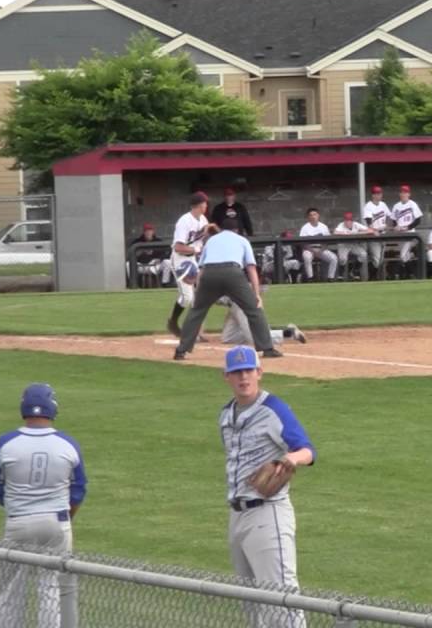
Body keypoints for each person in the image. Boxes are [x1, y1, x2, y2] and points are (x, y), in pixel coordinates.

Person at [219, 345, 315, 627]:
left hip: (268, 514)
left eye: (248, 371)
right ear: (227, 376)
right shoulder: (225, 415)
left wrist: (291, 458)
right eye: (237, 372)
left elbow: (307, 450)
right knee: (252, 604)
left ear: (259, 372)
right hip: (237, 515)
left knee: (281, 599)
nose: (243, 377)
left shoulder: (274, 410)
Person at [0, 384, 87, 628]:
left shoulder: (6, 442)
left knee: (11, 590)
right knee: (50, 588)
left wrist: (18, 508)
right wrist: (67, 517)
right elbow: (78, 490)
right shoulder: (67, 444)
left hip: (18, 522)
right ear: (52, 407)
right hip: (56, 522)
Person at [174, 218, 281, 360]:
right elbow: (251, 268)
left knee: (196, 311)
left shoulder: (211, 241)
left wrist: (198, 293)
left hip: (209, 274)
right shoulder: (242, 240)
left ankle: (181, 350)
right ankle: (267, 348)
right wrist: (256, 294)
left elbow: (202, 269)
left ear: (222, 228)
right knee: (254, 310)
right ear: (236, 230)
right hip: (232, 273)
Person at [166, 193, 213, 337]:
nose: (206, 205)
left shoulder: (203, 219)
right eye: (204, 203)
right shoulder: (184, 221)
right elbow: (178, 247)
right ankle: (173, 322)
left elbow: (202, 239)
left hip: (192, 259)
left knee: (197, 297)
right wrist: (197, 250)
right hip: (180, 260)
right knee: (187, 297)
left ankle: (196, 331)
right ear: (199, 205)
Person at [218, 294, 307, 347]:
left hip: (242, 303)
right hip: (234, 305)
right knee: (228, 338)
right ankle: (259, 332)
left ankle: (290, 332)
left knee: (254, 339)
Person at [390, 185, 424, 277]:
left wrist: (408, 227)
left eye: (405, 192)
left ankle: (409, 273)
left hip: (410, 234)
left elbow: (418, 220)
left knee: (403, 255)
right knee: (406, 256)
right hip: (400, 234)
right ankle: (411, 274)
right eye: (402, 192)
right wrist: (396, 226)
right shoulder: (396, 206)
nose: (403, 194)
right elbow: (393, 220)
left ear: (409, 194)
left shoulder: (413, 204)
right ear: (399, 194)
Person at [298, 208, 338, 282]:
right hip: (309, 249)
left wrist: (321, 250)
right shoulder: (305, 227)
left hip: (321, 249)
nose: (313, 216)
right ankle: (310, 278)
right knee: (307, 257)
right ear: (308, 217)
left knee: (334, 258)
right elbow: (302, 243)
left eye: (314, 214)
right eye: (311, 215)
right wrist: (313, 251)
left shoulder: (323, 226)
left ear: (318, 215)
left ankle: (330, 278)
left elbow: (327, 241)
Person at [361, 185, 391, 279]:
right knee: (377, 259)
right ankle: (372, 277)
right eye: (376, 194)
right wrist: (374, 231)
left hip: (383, 234)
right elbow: (369, 222)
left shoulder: (383, 204)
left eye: (380, 193)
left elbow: (389, 216)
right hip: (373, 235)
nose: (379, 195)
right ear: (373, 195)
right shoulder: (368, 206)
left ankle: (375, 278)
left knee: (380, 259)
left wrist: (387, 225)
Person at [333, 211, 374, 280]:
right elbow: (335, 232)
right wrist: (345, 233)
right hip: (343, 245)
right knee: (343, 259)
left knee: (363, 254)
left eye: (349, 220)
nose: (348, 222)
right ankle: (341, 273)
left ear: (352, 221)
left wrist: (359, 233)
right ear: (344, 220)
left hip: (353, 245)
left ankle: (354, 271)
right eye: (346, 220)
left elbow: (371, 230)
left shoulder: (356, 224)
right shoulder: (341, 225)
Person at [129, 223, 171, 288]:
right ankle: (132, 284)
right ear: (143, 232)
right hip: (142, 266)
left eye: (150, 231)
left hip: (155, 265)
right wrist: (141, 252)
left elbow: (167, 253)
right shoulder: (137, 242)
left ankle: (165, 284)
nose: (148, 232)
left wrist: (159, 259)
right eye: (146, 231)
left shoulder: (158, 241)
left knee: (167, 262)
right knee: (128, 264)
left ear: (153, 232)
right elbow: (131, 255)